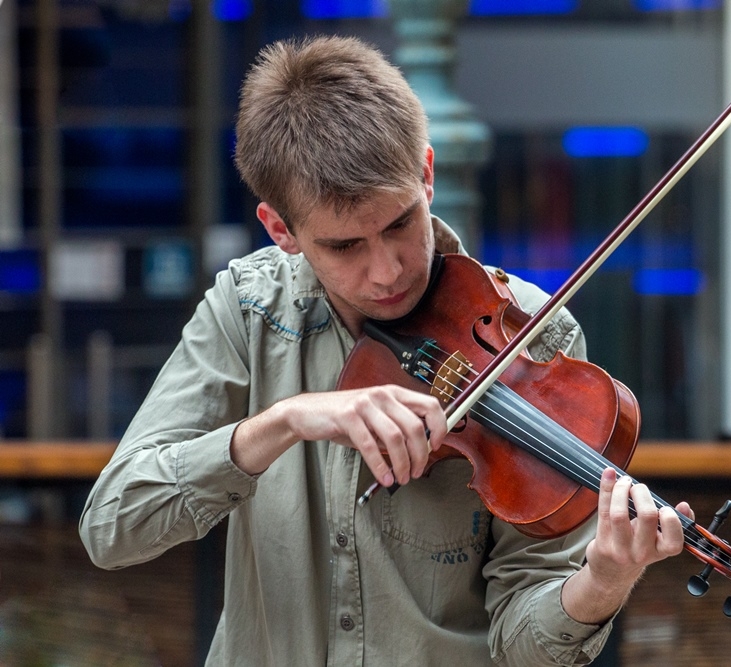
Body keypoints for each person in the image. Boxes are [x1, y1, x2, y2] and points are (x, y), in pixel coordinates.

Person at [79, 34, 692, 666]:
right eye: (345, 246)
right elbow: (113, 527)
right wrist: (285, 421)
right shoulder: (249, 309)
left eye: (400, 224)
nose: (387, 271)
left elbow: (522, 646)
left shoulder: (531, 337)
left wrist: (601, 585)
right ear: (281, 229)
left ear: (426, 175)